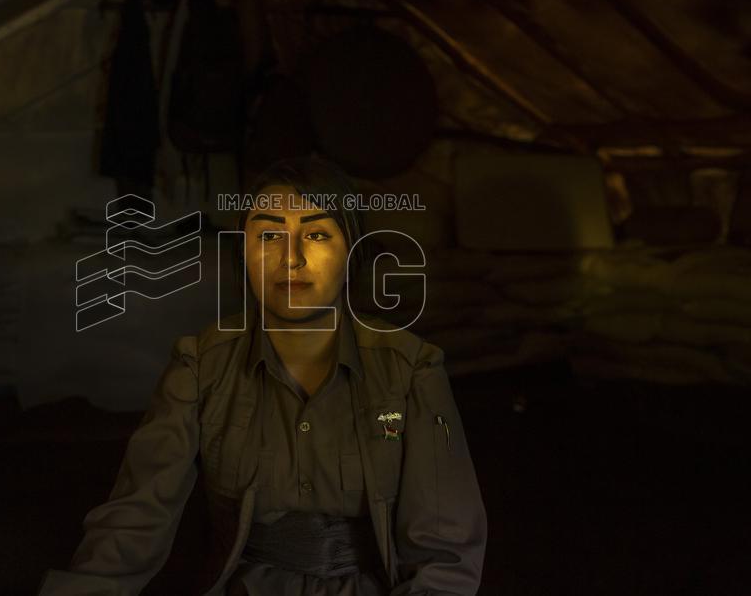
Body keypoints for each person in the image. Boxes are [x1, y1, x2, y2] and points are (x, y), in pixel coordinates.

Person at [38, 156, 487, 595]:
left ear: (351, 252)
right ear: (244, 254)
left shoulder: (411, 371)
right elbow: (135, 520)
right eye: (270, 234)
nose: (291, 259)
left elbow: (444, 553)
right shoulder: (200, 368)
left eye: (316, 234)